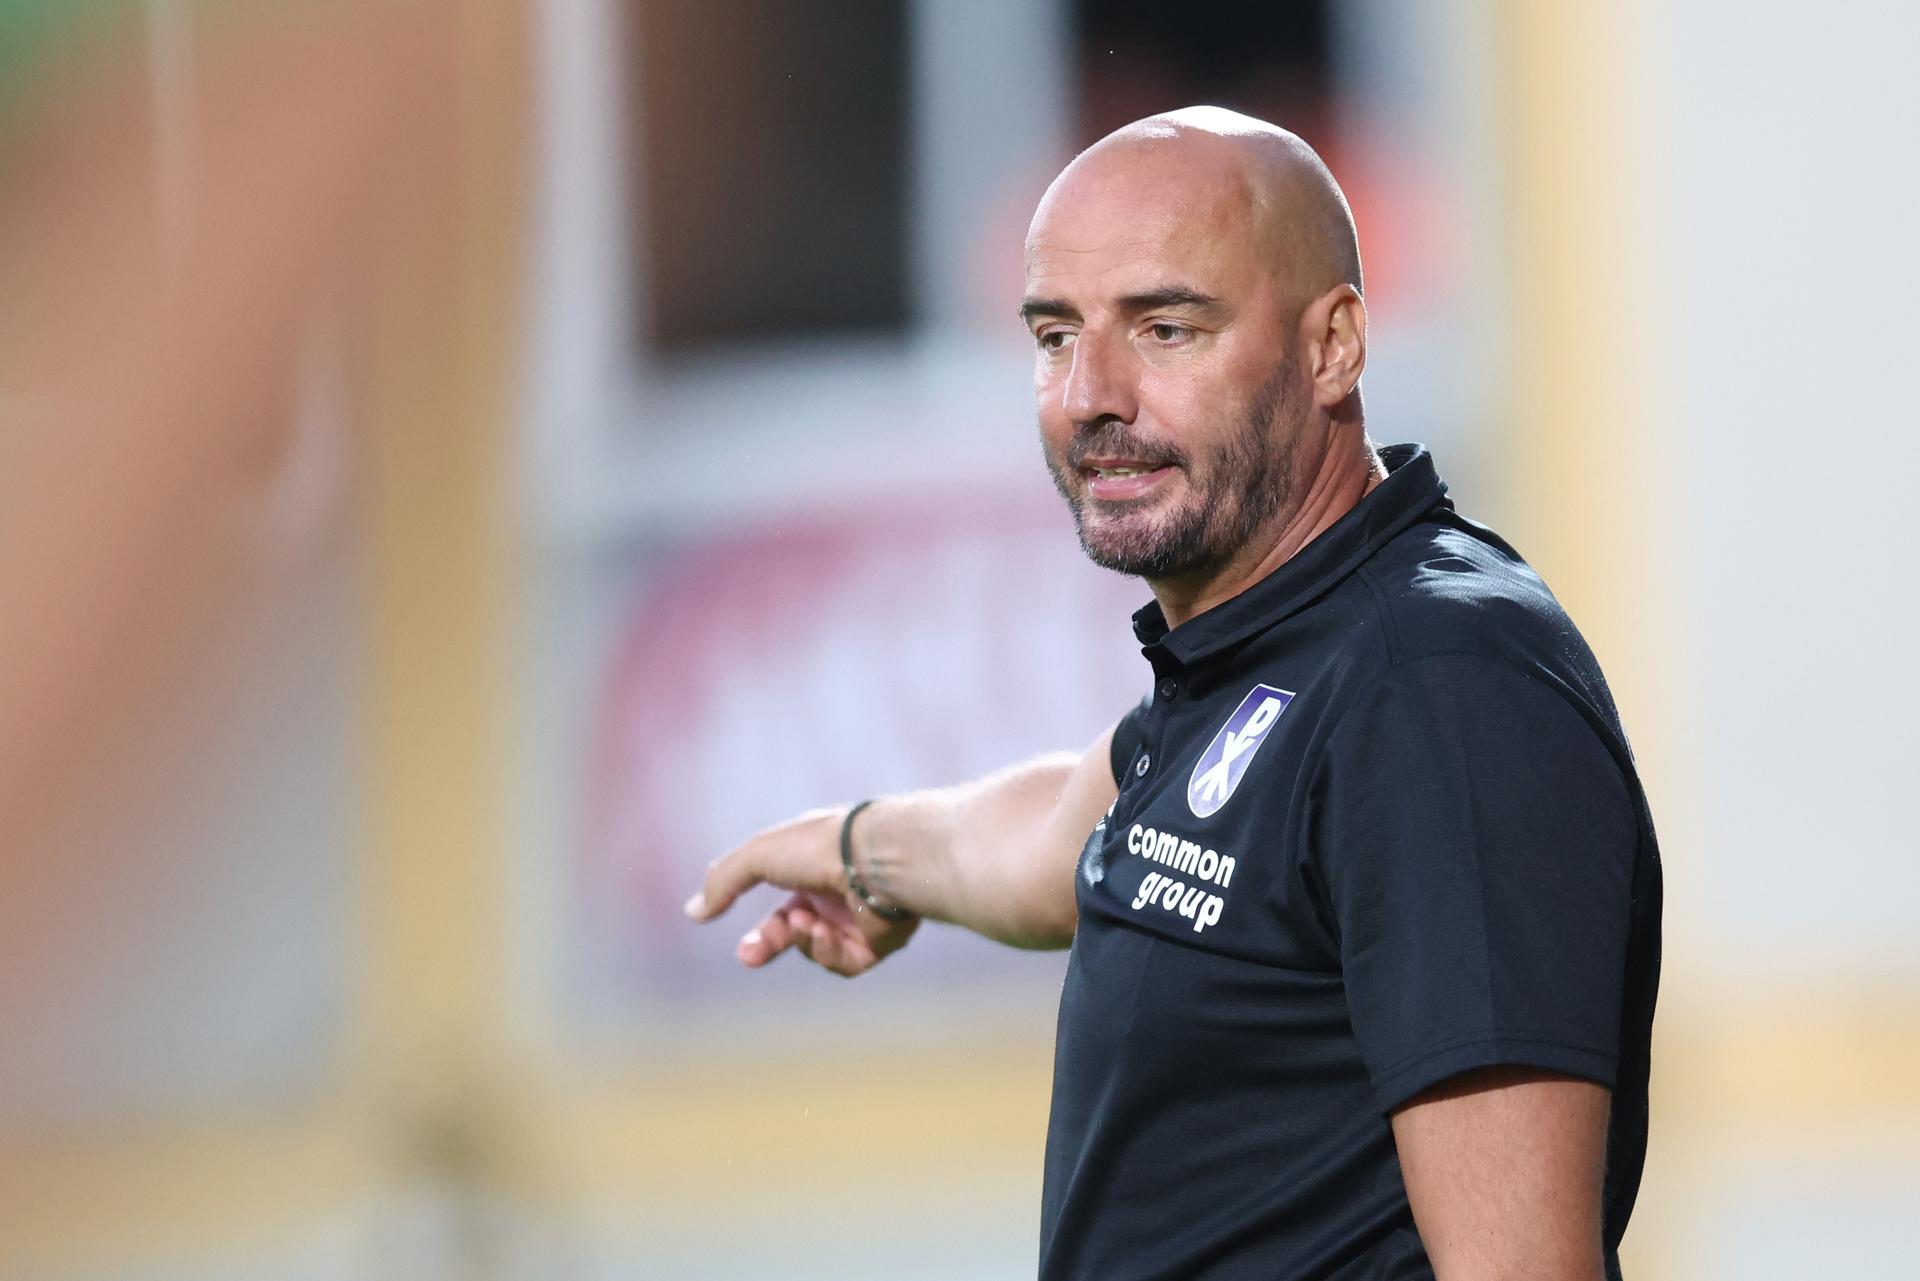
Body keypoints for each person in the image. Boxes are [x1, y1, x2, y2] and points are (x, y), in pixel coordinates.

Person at [684, 106, 1661, 1281]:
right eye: (1055, 336)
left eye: (1164, 328)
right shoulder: (1272, 645)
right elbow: (1058, 840)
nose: (1091, 393)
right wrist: (862, 853)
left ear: (1335, 345)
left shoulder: (1433, 689)